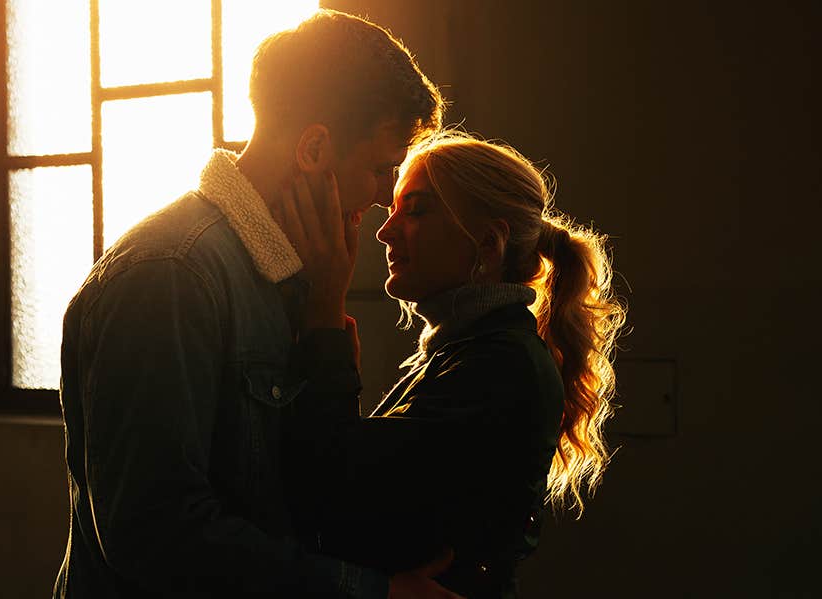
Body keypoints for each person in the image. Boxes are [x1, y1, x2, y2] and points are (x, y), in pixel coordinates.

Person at [54, 10, 458, 598]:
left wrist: (324, 317)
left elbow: (298, 491)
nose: (379, 203)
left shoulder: (287, 276)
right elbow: (154, 532)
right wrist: (374, 592)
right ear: (314, 148)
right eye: (378, 170)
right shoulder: (172, 275)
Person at [274, 131, 627, 598]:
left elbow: (330, 486)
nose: (385, 231)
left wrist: (326, 320)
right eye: (393, 208)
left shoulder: (502, 365)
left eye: (415, 210)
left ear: (487, 245)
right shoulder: (469, 349)